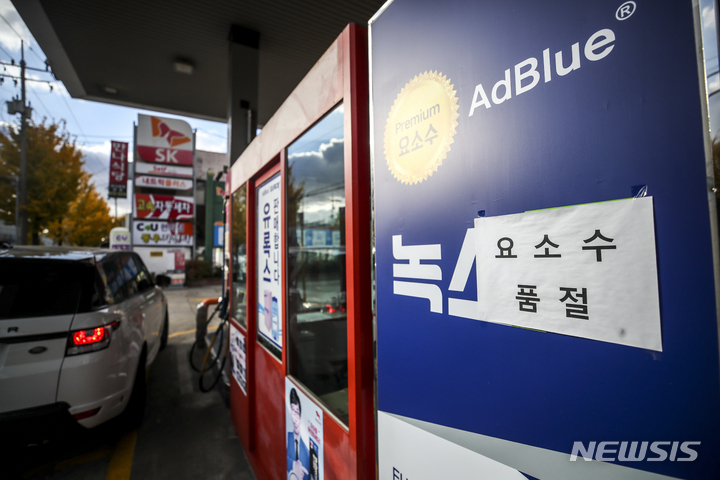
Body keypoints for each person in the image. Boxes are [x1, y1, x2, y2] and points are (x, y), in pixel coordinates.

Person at [287, 388, 309, 480]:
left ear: (301, 415)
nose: (295, 418)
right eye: (292, 411)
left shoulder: (307, 451)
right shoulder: (287, 437)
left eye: (297, 413)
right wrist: (293, 465)